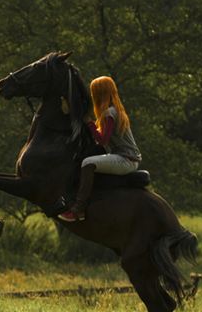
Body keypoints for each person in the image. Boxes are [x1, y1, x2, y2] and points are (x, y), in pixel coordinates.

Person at [58, 76, 142, 222]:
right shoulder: (115, 111)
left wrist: (89, 123)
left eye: (94, 92)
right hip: (127, 158)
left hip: (125, 159)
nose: (93, 96)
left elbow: (102, 140)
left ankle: (78, 209)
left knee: (87, 163)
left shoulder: (109, 113)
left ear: (100, 93)